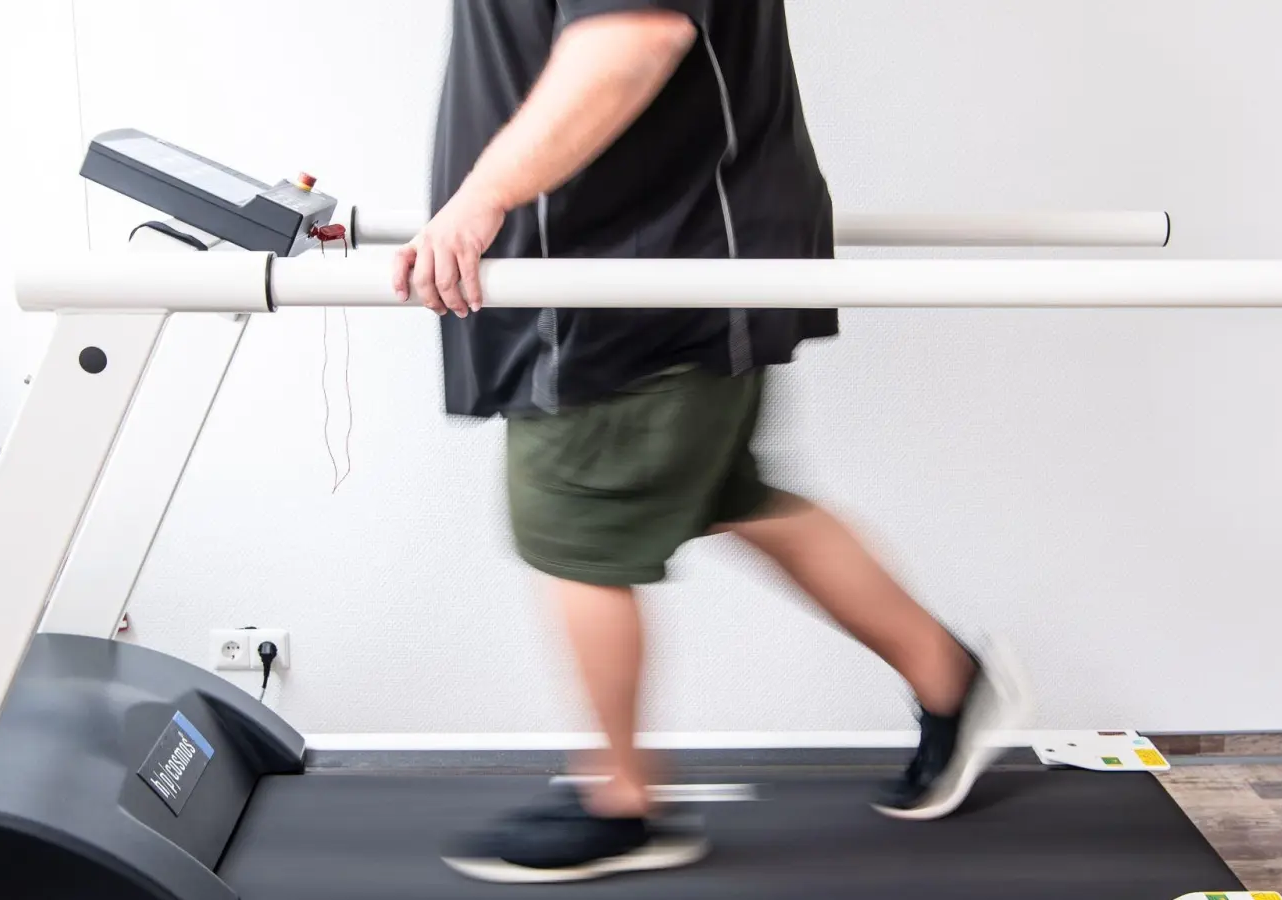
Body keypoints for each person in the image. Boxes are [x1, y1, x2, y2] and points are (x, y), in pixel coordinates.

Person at [389, 0, 1028, 884]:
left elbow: (635, 38)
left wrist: (481, 196)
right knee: (730, 493)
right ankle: (950, 678)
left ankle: (618, 801)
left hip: (641, 266)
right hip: (645, 253)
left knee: (573, 524)